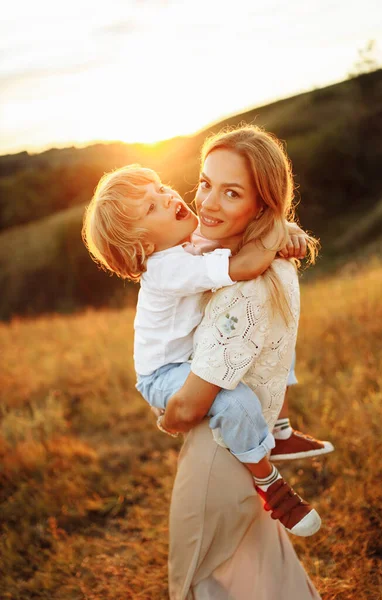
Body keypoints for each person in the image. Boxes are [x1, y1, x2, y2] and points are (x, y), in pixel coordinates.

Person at [82, 162, 320, 537]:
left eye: (160, 188)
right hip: (163, 372)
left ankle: (281, 429)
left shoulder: (186, 244)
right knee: (232, 401)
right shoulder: (166, 268)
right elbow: (245, 263)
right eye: (151, 207)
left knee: (273, 340)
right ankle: (270, 483)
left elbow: (239, 239)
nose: (167, 197)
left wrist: (283, 229)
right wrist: (278, 234)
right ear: (145, 244)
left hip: (188, 355)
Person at [158, 125, 323, 598]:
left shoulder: (243, 290)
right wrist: (281, 229)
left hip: (218, 459)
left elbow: (190, 407)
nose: (206, 203)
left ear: (262, 207)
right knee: (268, 578)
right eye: (205, 183)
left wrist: (168, 416)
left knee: (198, 582)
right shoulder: (257, 260)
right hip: (251, 447)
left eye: (231, 192)